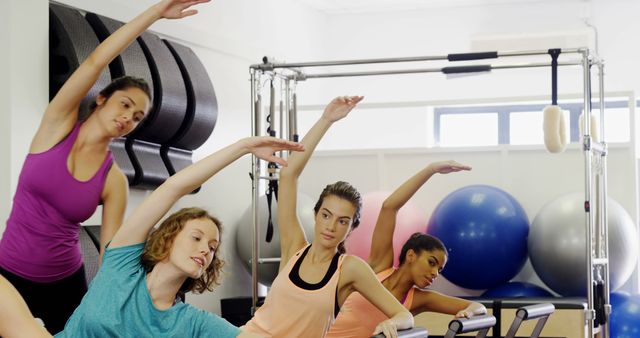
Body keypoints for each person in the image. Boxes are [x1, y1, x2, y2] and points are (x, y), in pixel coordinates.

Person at [0, 0, 210, 333]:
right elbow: (97, 60)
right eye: (125, 104)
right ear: (101, 98)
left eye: (137, 117)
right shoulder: (56, 127)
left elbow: (111, 255)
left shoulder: (113, 181)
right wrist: (154, 14)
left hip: (64, 283)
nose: (128, 117)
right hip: (8, 271)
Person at [50, 135, 303, 337]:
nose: (206, 249)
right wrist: (242, 147)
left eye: (212, 247)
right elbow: (173, 188)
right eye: (197, 238)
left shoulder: (192, 323)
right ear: (168, 238)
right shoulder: (121, 265)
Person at [242, 96, 414, 338]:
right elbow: (288, 175)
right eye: (326, 215)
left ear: (352, 228)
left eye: (343, 221)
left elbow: (405, 315)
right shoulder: (294, 247)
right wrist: (326, 120)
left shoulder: (350, 269)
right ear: (316, 214)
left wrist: (395, 323)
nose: (331, 226)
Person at [326, 161, 487, 338]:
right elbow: (389, 207)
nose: (434, 273)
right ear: (411, 255)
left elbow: (478, 307)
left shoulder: (421, 299)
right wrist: (430, 170)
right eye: (431, 262)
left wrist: (469, 313)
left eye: (439, 269)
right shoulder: (379, 267)